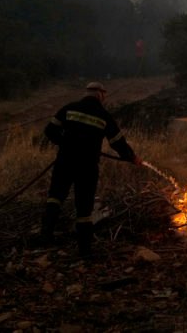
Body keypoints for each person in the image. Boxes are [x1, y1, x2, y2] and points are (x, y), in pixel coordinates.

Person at [40, 81, 142, 258]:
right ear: (100, 95)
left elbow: (50, 131)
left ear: (86, 93)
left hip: (64, 161)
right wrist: (132, 157)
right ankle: (84, 250)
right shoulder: (103, 116)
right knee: (84, 208)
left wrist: (65, 143)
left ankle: (45, 236)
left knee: (55, 197)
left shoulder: (69, 108)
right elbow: (117, 142)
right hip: (87, 167)